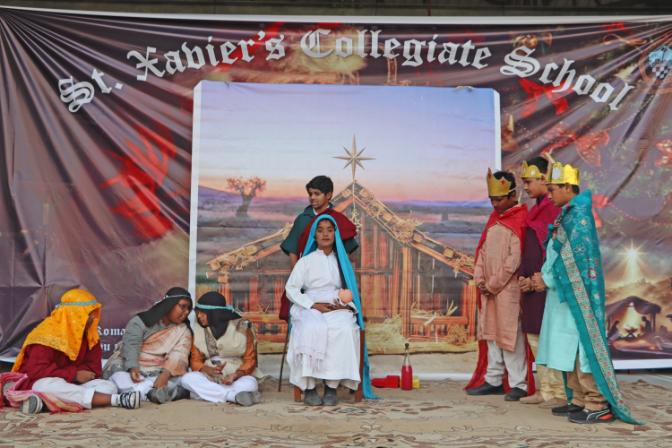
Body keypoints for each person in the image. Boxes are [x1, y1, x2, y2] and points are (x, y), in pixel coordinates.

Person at [533, 161, 639, 424]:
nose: (549, 195)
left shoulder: (579, 216)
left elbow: (574, 260)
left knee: (582, 348)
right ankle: (579, 400)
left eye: (553, 189)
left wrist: (546, 278)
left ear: (568, 187)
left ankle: (597, 403)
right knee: (566, 347)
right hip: (563, 294)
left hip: (576, 296)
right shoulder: (567, 214)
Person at [1, 289, 140, 413]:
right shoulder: (44, 335)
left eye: (93, 312)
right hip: (43, 383)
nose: (93, 317)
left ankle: (45, 403)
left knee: (108, 386)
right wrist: (73, 374)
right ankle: (116, 400)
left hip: (73, 386)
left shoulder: (90, 336)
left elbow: (94, 369)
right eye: (88, 313)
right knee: (45, 386)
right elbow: (35, 371)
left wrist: (77, 378)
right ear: (73, 314)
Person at [285, 214, 374, 405]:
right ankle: (309, 387)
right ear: (314, 236)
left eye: (330, 230)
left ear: (335, 234)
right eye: (320, 230)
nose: (325, 234)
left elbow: (347, 288)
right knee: (310, 328)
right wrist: (313, 305)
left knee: (344, 328)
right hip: (309, 305)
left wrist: (341, 303)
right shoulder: (305, 261)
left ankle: (331, 387)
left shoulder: (341, 261)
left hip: (335, 304)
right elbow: (291, 289)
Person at [466, 169, 532, 402]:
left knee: (509, 334)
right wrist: (480, 279)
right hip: (489, 289)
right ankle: (493, 379)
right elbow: (482, 252)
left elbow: (514, 260)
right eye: (492, 199)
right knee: (491, 333)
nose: (495, 204)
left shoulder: (520, 220)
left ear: (513, 195)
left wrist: (493, 284)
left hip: (508, 289)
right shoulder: (494, 220)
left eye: (499, 199)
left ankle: (518, 383)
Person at [516, 157, 565, 407]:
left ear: (545, 179)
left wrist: (543, 279)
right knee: (535, 335)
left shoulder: (554, 210)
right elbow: (530, 248)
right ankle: (544, 389)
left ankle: (559, 391)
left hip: (547, 285)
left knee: (551, 337)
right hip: (532, 282)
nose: (525, 187)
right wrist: (523, 277)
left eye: (529, 181)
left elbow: (557, 252)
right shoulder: (536, 210)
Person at [278, 175, 358, 321]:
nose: (312, 198)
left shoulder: (338, 219)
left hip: (332, 286)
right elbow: (293, 250)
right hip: (308, 281)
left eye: (317, 194)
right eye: (310, 194)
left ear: (328, 195)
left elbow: (346, 252)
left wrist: (341, 278)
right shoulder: (303, 219)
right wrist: (300, 275)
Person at [105, 287, 192, 404]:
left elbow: (179, 354)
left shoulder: (183, 330)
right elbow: (131, 344)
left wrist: (165, 375)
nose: (186, 312)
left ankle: (152, 391)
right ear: (169, 304)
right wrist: (133, 367)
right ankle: (158, 393)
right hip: (132, 366)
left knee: (188, 378)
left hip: (160, 370)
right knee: (119, 377)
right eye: (183, 307)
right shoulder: (141, 321)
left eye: (188, 308)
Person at [180, 291, 262, 406]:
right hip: (209, 376)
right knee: (187, 379)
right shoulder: (198, 330)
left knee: (251, 383)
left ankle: (211, 394)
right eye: (198, 313)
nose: (198, 316)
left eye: (202, 313)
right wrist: (208, 370)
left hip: (236, 376)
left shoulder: (242, 328)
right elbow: (195, 361)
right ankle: (232, 396)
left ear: (214, 313)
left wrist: (235, 375)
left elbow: (250, 360)